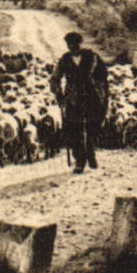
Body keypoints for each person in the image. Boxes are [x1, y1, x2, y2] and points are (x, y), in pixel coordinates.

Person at [50, 30, 108, 174]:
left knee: (92, 127)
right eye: (69, 44)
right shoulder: (64, 60)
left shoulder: (93, 57)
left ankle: (91, 153)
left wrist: (100, 90)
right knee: (74, 130)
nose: (72, 47)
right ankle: (80, 161)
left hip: (91, 97)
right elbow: (55, 78)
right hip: (73, 99)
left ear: (80, 43)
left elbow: (103, 75)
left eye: (75, 44)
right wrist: (59, 95)